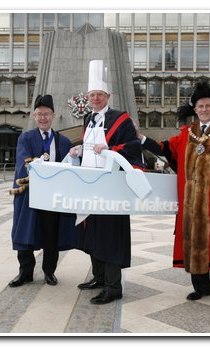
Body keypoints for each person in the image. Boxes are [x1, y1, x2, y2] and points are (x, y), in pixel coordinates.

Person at [139, 81, 210, 309]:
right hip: (191, 203)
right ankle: (200, 288)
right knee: (194, 242)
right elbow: (167, 149)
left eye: (207, 106)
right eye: (200, 106)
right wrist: (141, 139)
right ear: (195, 108)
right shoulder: (188, 133)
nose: (204, 110)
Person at [69, 60, 144, 305]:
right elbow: (92, 150)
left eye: (99, 95)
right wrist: (80, 150)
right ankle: (99, 277)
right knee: (93, 234)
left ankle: (114, 287)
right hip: (91, 186)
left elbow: (133, 148)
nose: (96, 99)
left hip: (112, 189)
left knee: (110, 237)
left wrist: (110, 147)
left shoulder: (121, 119)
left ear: (107, 96)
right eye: (92, 95)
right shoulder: (88, 119)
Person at [9, 94, 79, 287]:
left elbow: (71, 168)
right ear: (34, 116)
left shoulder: (63, 141)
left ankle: (49, 272)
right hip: (30, 195)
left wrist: (75, 156)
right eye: (39, 114)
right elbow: (22, 160)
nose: (43, 118)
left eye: (46, 114)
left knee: (51, 235)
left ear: (53, 116)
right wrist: (36, 164)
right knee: (25, 233)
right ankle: (25, 272)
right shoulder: (26, 137)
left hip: (52, 198)